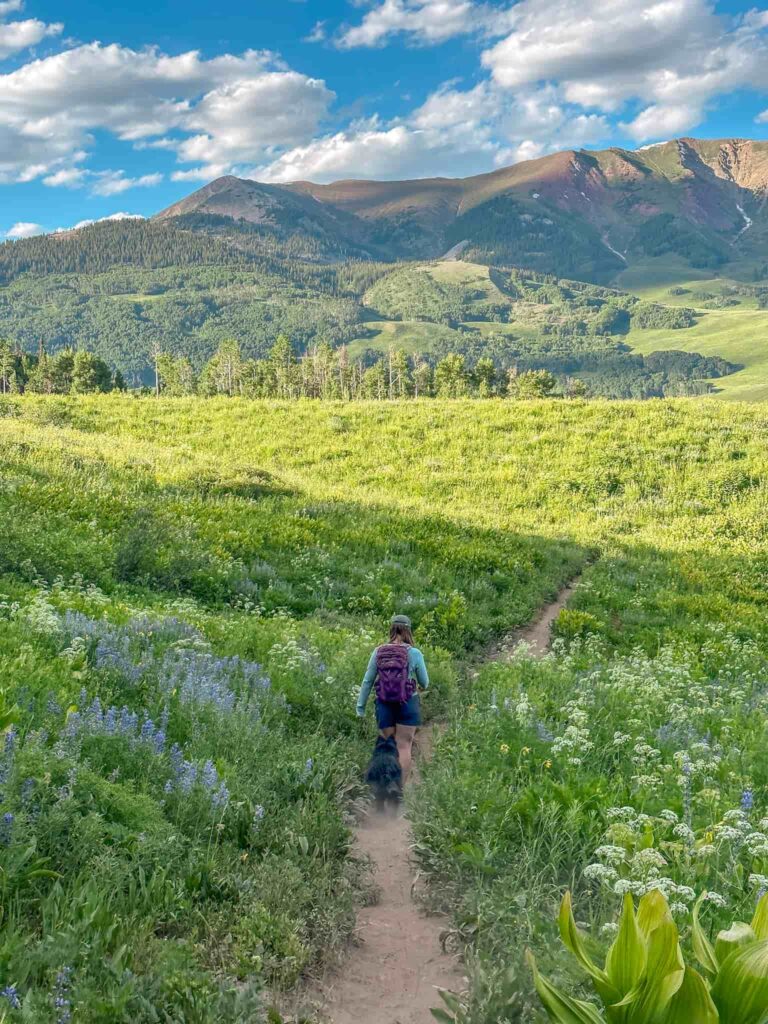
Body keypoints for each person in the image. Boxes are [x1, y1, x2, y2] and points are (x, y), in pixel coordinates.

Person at [356, 614, 429, 782]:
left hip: (384, 703)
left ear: (391, 629)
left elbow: (368, 681)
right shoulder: (415, 653)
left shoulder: (379, 651)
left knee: (388, 746)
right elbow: (425, 682)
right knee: (404, 747)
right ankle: (399, 791)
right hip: (408, 702)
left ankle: (383, 786)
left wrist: (360, 707)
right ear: (408, 631)